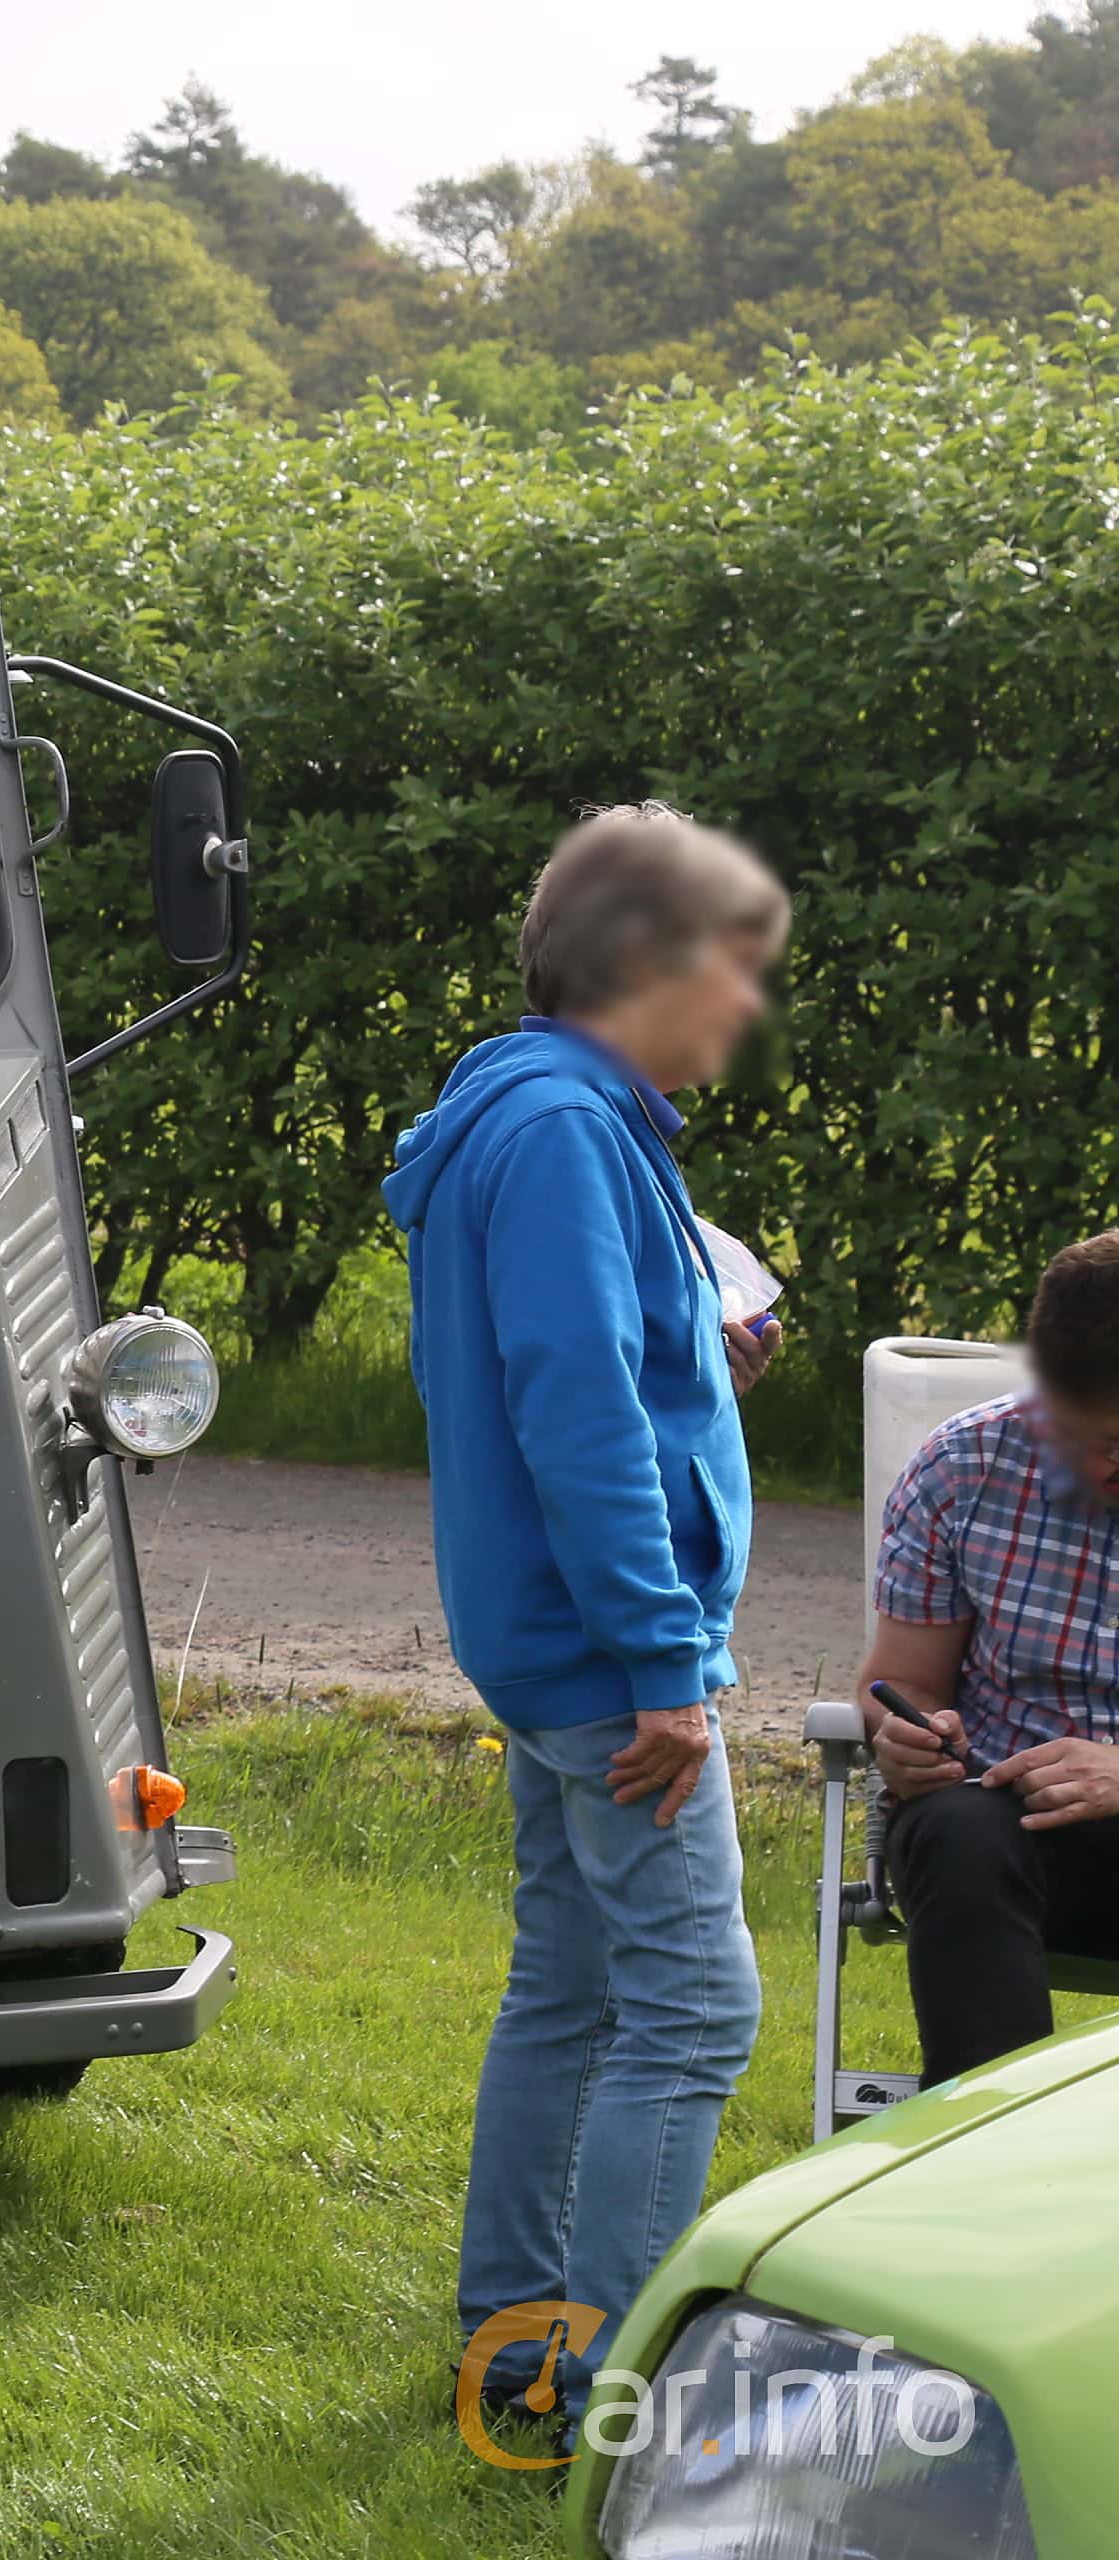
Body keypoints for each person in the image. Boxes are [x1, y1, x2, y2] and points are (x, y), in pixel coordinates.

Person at [380, 803, 790, 2418]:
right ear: (646, 965)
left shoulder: (545, 1113)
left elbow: (600, 1356)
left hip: (545, 1642)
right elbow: (574, 1411)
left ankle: (520, 2351)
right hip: (604, 1656)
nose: (744, 1011)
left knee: (576, 1985)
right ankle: (632, 2390)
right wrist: (665, 1665)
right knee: (694, 2009)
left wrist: (703, 1333)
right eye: (732, 974)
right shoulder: (560, 1128)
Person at [861, 1230, 1119, 2084]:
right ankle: (982, 2169)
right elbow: (899, 1682)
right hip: (1007, 1819)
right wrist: (896, 1731)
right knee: (959, 1831)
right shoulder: (964, 1465)